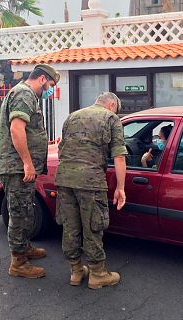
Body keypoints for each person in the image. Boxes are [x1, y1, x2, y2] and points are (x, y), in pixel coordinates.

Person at [55, 92, 127, 289]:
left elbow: (62, 150)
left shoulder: (72, 116)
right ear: (111, 104)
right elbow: (119, 157)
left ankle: (76, 271)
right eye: (116, 109)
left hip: (64, 179)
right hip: (91, 182)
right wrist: (120, 188)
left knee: (70, 227)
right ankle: (98, 274)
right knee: (93, 226)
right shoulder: (111, 118)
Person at [0, 64, 60, 278]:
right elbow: (16, 128)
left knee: (26, 209)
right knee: (20, 214)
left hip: (18, 167)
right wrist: (27, 163)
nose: (49, 90)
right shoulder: (25, 93)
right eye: (50, 85)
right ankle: (18, 263)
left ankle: (24, 247)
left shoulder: (25, 94)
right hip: (16, 168)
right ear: (42, 79)